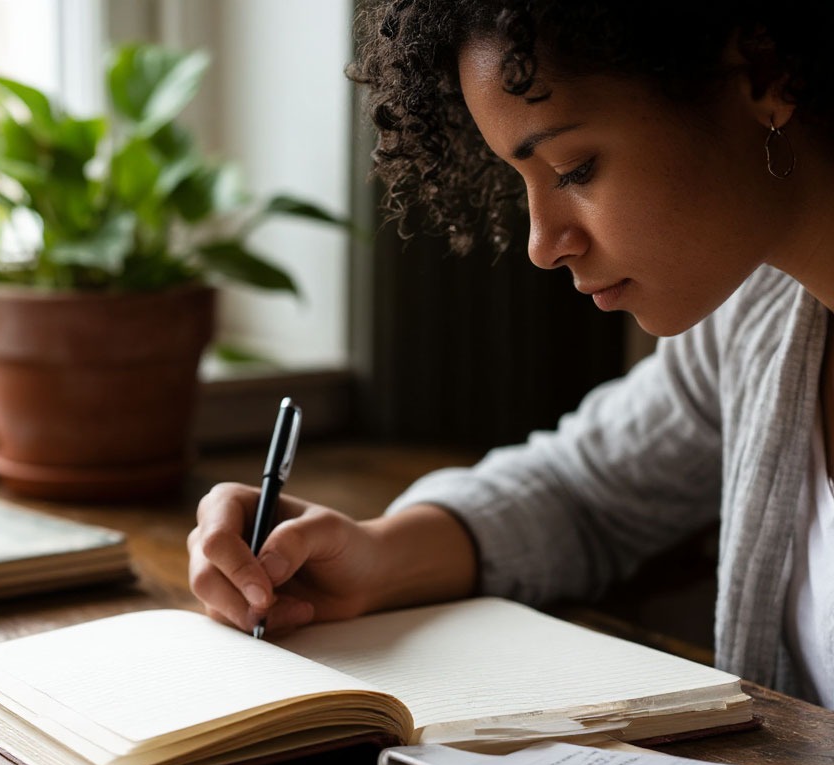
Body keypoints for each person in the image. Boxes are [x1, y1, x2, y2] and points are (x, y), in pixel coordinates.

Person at [188, 1, 834, 705]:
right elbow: (583, 491)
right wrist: (376, 555)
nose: (541, 244)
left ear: (764, 72)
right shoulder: (762, 322)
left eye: (576, 168)